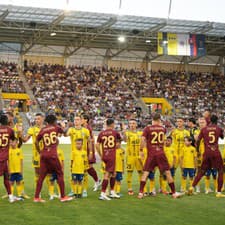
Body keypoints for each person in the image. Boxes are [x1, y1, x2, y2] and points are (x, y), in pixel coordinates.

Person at [138, 113, 182, 199]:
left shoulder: (147, 128)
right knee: (168, 172)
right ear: (159, 120)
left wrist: (141, 150)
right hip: (160, 153)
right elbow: (163, 140)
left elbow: (143, 139)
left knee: (145, 173)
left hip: (151, 154)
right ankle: (173, 193)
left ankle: (140, 192)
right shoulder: (163, 129)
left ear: (152, 120)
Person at [34, 114, 73, 202]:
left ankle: (36, 197)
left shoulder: (43, 130)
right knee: (59, 173)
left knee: (41, 176)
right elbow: (66, 134)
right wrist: (66, 126)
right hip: (52, 154)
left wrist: (40, 151)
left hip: (44, 154)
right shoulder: (56, 127)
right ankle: (63, 196)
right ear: (54, 121)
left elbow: (36, 142)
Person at [188, 115, 224, 197]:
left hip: (206, 152)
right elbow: (222, 137)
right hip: (215, 152)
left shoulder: (204, 129)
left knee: (201, 171)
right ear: (217, 121)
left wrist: (197, 150)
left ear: (209, 121)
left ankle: (191, 187)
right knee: (221, 170)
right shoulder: (218, 128)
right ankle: (218, 192)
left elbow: (198, 140)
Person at [96, 118, 122, 200]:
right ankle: (103, 193)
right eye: (114, 124)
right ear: (112, 124)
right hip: (111, 155)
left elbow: (97, 145)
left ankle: (112, 192)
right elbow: (120, 139)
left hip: (105, 155)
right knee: (107, 174)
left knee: (113, 173)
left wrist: (101, 154)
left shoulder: (101, 133)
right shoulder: (115, 132)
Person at [66, 115, 91, 197]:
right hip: (74, 155)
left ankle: (84, 190)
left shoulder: (86, 131)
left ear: (81, 121)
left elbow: (89, 141)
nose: (76, 121)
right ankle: (73, 190)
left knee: (85, 173)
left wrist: (90, 152)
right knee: (73, 173)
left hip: (83, 155)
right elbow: (66, 134)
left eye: (77, 120)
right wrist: (66, 127)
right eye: (75, 120)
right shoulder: (71, 130)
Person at [122, 119, 143, 195]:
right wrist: (124, 132)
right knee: (129, 172)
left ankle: (142, 188)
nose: (132, 125)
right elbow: (124, 140)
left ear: (136, 125)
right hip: (130, 156)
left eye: (133, 123)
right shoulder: (127, 133)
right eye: (130, 123)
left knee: (141, 172)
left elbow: (143, 142)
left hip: (138, 156)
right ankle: (129, 188)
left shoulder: (140, 133)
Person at [22, 113, 44, 185]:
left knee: (49, 173)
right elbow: (25, 140)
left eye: (38, 119)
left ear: (42, 119)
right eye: (35, 119)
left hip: (46, 153)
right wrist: (20, 133)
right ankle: (38, 192)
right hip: (36, 154)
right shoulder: (32, 129)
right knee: (37, 173)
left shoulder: (46, 128)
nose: (36, 120)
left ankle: (51, 193)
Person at [81, 114, 101, 191]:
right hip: (85, 149)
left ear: (86, 120)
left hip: (88, 149)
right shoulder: (85, 128)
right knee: (86, 167)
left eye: (82, 119)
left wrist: (91, 151)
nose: (80, 120)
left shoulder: (87, 128)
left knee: (89, 167)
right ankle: (97, 180)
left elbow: (91, 139)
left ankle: (97, 181)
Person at [0, 114, 17, 203]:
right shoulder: (10, 130)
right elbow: (13, 141)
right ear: (6, 121)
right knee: (6, 178)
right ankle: (10, 197)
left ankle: (10, 197)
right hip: (3, 157)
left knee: (7, 177)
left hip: (3, 158)